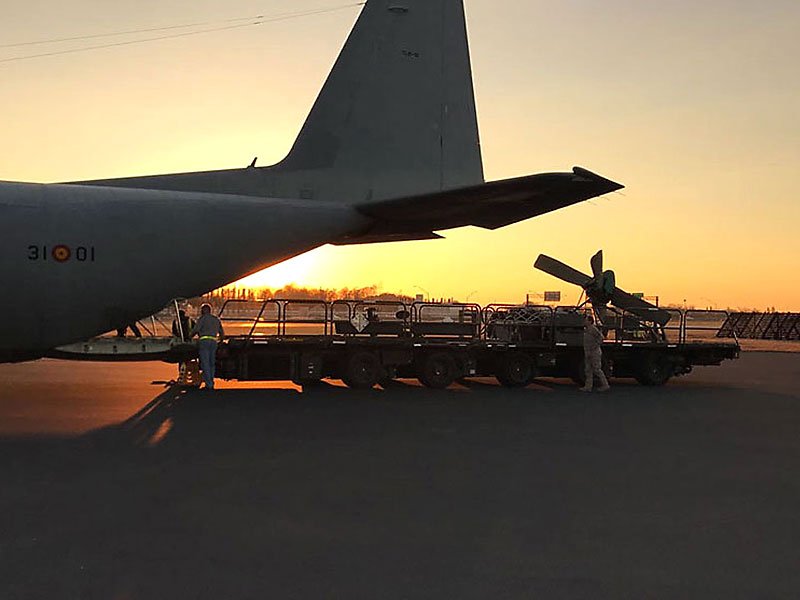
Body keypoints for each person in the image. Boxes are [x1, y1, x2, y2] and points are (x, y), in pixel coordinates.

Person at [190, 304, 225, 390]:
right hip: (213, 342)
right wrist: (221, 341)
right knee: (211, 363)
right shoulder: (216, 319)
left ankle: (208, 384)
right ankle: (211, 382)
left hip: (204, 342)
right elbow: (221, 332)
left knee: (205, 363)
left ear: (204, 310)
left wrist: (189, 337)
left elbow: (196, 330)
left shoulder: (202, 319)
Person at [580, 313, 610, 392]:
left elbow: (601, 338)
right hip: (588, 352)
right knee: (588, 370)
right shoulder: (586, 329)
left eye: (586, 320)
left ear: (590, 321)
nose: (584, 321)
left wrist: (595, 346)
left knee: (597, 369)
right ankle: (588, 386)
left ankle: (605, 385)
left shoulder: (593, 329)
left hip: (594, 352)